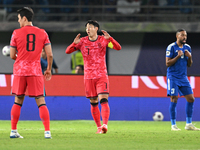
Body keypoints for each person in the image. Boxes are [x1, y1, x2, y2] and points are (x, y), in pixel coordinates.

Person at [65, 20, 121, 134]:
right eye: (86, 28)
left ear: (96, 29)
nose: (88, 29)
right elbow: (67, 51)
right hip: (88, 77)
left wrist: (110, 39)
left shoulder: (103, 40)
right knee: (93, 102)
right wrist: (73, 43)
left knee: (103, 99)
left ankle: (105, 125)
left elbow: (118, 47)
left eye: (90, 27)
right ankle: (99, 127)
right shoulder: (82, 42)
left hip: (101, 75)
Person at [9, 7, 53, 138]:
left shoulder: (16, 33)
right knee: (41, 101)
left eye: (18, 19)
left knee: (18, 101)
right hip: (35, 71)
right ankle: (47, 132)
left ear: (24, 18)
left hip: (20, 71)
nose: (18, 22)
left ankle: (13, 131)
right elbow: (49, 54)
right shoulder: (43, 33)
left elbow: (12, 55)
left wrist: (22, 59)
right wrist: (49, 69)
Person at [166, 28, 199, 131]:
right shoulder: (171, 47)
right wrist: (177, 56)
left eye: (185, 35)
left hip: (183, 77)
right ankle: (173, 125)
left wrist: (189, 57)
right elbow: (167, 63)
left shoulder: (187, 47)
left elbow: (189, 65)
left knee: (191, 99)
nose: (184, 37)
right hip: (173, 77)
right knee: (174, 98)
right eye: (182, 35)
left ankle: (188, 124)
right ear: (177, 36)